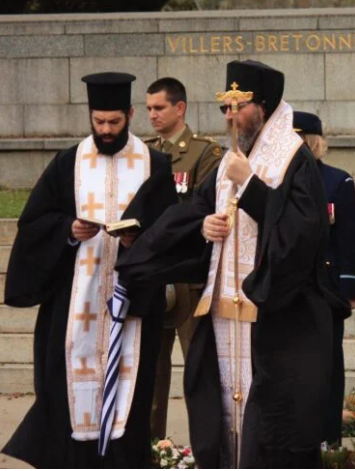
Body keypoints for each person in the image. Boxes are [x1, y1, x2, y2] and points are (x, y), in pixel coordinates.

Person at [116, 60, 346, 468]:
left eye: (237, 106)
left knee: (272, 429)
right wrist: (204, 224)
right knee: (221, 420)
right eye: (225, 107)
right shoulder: (228, 162)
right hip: (222, 315)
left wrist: (252, 185)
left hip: (275, 317)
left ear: (262, 105)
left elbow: (302, 236)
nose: (230, 116)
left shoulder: (293, 158)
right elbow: (198, 210)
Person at [1, 73, 178, 467]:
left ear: (130, 115)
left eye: (114, 122)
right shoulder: (68, 163)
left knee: (131, 396)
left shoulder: (155, 164)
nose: (106, 130)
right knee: (64, 392)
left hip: (131, 303)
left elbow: (171, 229)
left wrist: (140, 240)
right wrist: (68, 230)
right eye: (99, 122)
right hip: (73, 303)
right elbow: (33, 223)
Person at [144, 77, 223, 441]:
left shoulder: (204, 153)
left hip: (188, 276)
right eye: (148, 109)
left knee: (197, 371)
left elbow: (201, 209)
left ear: (180, 108)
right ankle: (151, 453)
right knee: (151, 376)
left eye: (159, 108)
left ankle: (206, 451)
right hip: (151, 275)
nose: (152, 115)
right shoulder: (143, 152)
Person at [293, 111, 355, 446]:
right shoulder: (274, 182)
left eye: (302, 141)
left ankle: (329, 438)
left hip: (326, 287)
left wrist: (349, 288)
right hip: (288, 288)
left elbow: (349, 240)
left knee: (328, 365)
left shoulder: (337, 182)